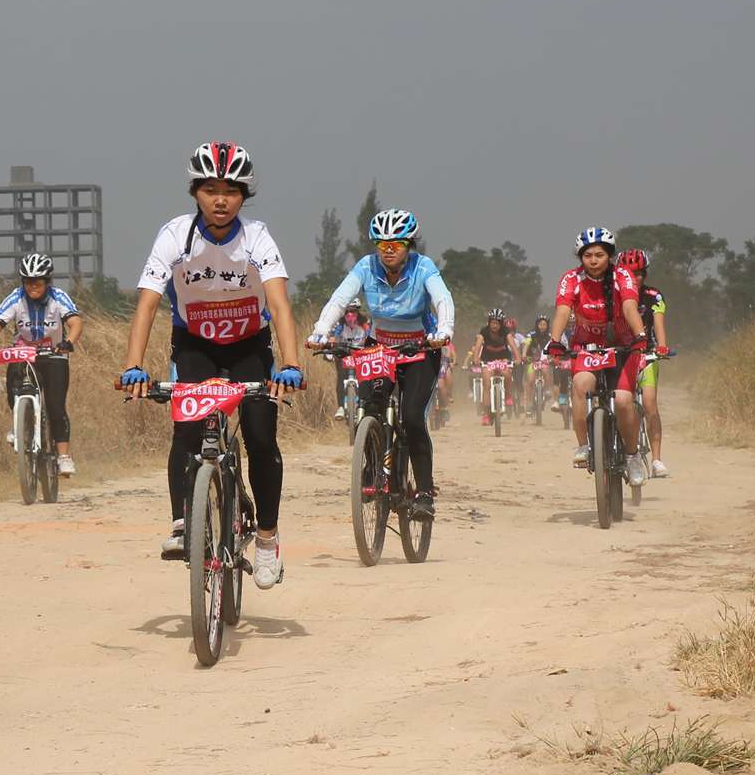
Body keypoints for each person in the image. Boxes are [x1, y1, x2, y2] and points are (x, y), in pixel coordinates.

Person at [119, 143, 304, 587]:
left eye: (231, 191)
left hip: (249, 346)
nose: (220, 200)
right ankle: (183, 523)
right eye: (210, 190)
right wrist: (133, 366)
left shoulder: (257, 237)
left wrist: (291, 364)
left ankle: (266, 538)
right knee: (186, 430)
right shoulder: (174, 236)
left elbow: (279, 304)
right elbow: (147, 304)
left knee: (260, 436)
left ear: (244, 196)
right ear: (195, 192)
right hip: (195, 344)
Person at [305, 207, 454, 517]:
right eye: (382, 244)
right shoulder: (366, 266)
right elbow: (339, 299)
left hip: (420, 347)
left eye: (396, 244)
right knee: (370, 405)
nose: (388, 250)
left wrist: (444, 330)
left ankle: (425, 493)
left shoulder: (423, 267)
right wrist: (321, 331)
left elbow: (442, 298)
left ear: (409, 245)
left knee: (412, 417)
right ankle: (372, 467)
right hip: (380, 345)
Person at [547, 227, 651, 486]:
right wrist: (555, 341)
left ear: (610, 256)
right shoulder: (571, 278)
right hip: (587, 346)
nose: (593, 261)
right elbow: (563, 310)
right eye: (588, 255)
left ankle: (632, 456)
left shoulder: (622, 276)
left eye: (599, 255)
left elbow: (629, 306)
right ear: (580, 257)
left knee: (624, 400)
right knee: (581, 385)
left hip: (623, 346)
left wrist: (640, 335)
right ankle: (584, 444)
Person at [0, 253, 83, 474]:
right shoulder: (16, 298)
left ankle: (64, 456)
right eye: (28, 281)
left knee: (55, 406)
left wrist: (68, 342)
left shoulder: (58, 297)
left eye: (38, 281)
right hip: (23, 354)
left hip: (54, 355)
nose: (32, 286)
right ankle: (20, 424)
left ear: (47, 281)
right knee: (13, 389)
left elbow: (75, 322)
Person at [617, 249, 672, 477]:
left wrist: (662, 346)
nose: (635, 278)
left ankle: (657, 459)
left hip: (646, 355)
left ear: (645, 274)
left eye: (639, 273)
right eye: (630, 273)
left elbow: (658, 323)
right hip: (620, 355)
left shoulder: (653, 295)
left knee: (649, 404)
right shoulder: (614, 294)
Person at [467, 310, 516, 423]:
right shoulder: (484, 331)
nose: (495, 326)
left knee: (507, 374)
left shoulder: (506, 331)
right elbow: (478, 345)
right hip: (487, 360)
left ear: (501, 324)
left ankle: (508, 396)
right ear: (489, 323)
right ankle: (486, 414)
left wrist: (517, 358)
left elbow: (513, 345)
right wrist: (476, 359)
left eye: (497, 323)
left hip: (503, 358)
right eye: (493, 323)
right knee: (487, 384)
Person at [523, 313, 561, 410]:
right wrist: (523, 355)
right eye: (540, 324)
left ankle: (547, 389)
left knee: (545, 371)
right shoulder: (531, 335)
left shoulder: (550, 336)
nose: (542, 327)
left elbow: (554, 347)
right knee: (530, 380)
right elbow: (526, 345)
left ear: (547, 326)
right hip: (532, 361)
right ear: (537, 325)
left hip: (545, 361)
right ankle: (529, 403)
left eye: (544, 324)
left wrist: (554, 358)